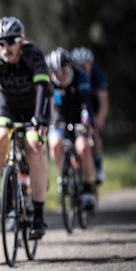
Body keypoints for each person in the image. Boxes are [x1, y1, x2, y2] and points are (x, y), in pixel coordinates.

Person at [0, 16, 50, 240]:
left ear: (21, 40)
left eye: (10, 41)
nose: (5, 47)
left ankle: (39, 214)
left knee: (34, 148)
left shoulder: (33, 54)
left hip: (34, 108)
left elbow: (43, 87)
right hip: (7, 108)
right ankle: (9, 185)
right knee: (0, 136)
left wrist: (41, 118)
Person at [45, 47, 96, 209]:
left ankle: (87, 189)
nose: (61, 75)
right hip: (59, 116)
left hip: (79, 115)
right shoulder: (48, 80)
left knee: (82, 147)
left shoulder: (80, 76)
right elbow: (47, 106)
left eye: (64, 71)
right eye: (57, 72)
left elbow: (86, 103)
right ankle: (62, 175)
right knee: (53, 143)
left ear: (70, 67)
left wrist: (87, 123)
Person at [71, 47, 109, 184]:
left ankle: (98, 168)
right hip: (80, 107)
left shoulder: (97, 75)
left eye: (84, 64)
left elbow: (104, 101)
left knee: (95, 132)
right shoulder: (73, 76)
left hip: (94, 108)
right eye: (78, 65)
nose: (81, 68)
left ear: (90, 63)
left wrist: (99, 119)